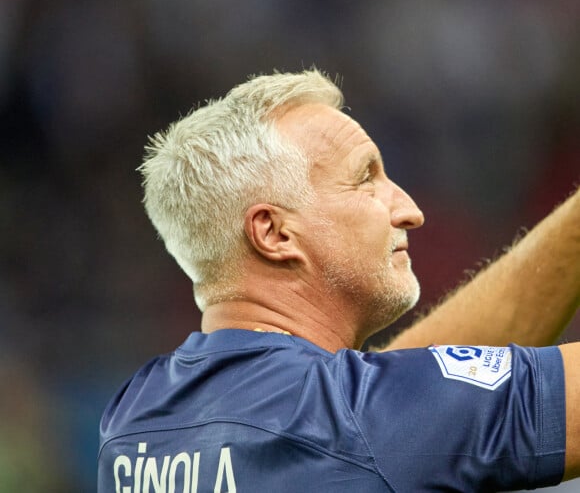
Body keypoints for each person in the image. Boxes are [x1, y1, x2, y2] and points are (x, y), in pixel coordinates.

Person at [98, 70, 580, 492]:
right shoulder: (354, 421)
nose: (410, 211)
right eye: (365, 178)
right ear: (275, 233)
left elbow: (384, 409)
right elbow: (384, 417)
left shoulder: (131, 418)